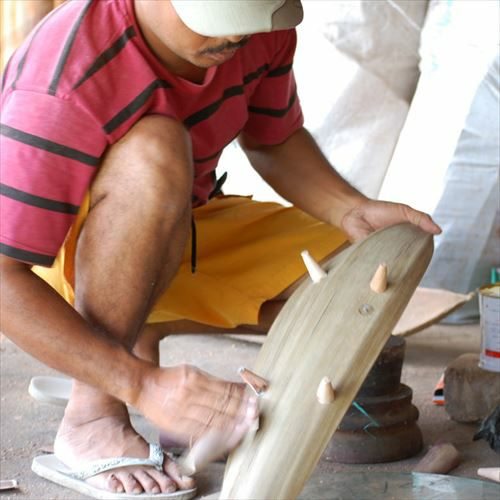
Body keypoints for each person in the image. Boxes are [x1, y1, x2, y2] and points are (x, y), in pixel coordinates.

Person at [0, 0, 441, 497]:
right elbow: (3, 278)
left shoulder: (254, 27)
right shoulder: (60, 86)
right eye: (220, 21)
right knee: (156, 147)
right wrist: (141, 385)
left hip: (176, 227)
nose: (236, 39)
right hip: (61, 265)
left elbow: (273, 140)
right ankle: (92, 414)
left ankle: (139, 340)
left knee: (363, 275)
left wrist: (349, 209)